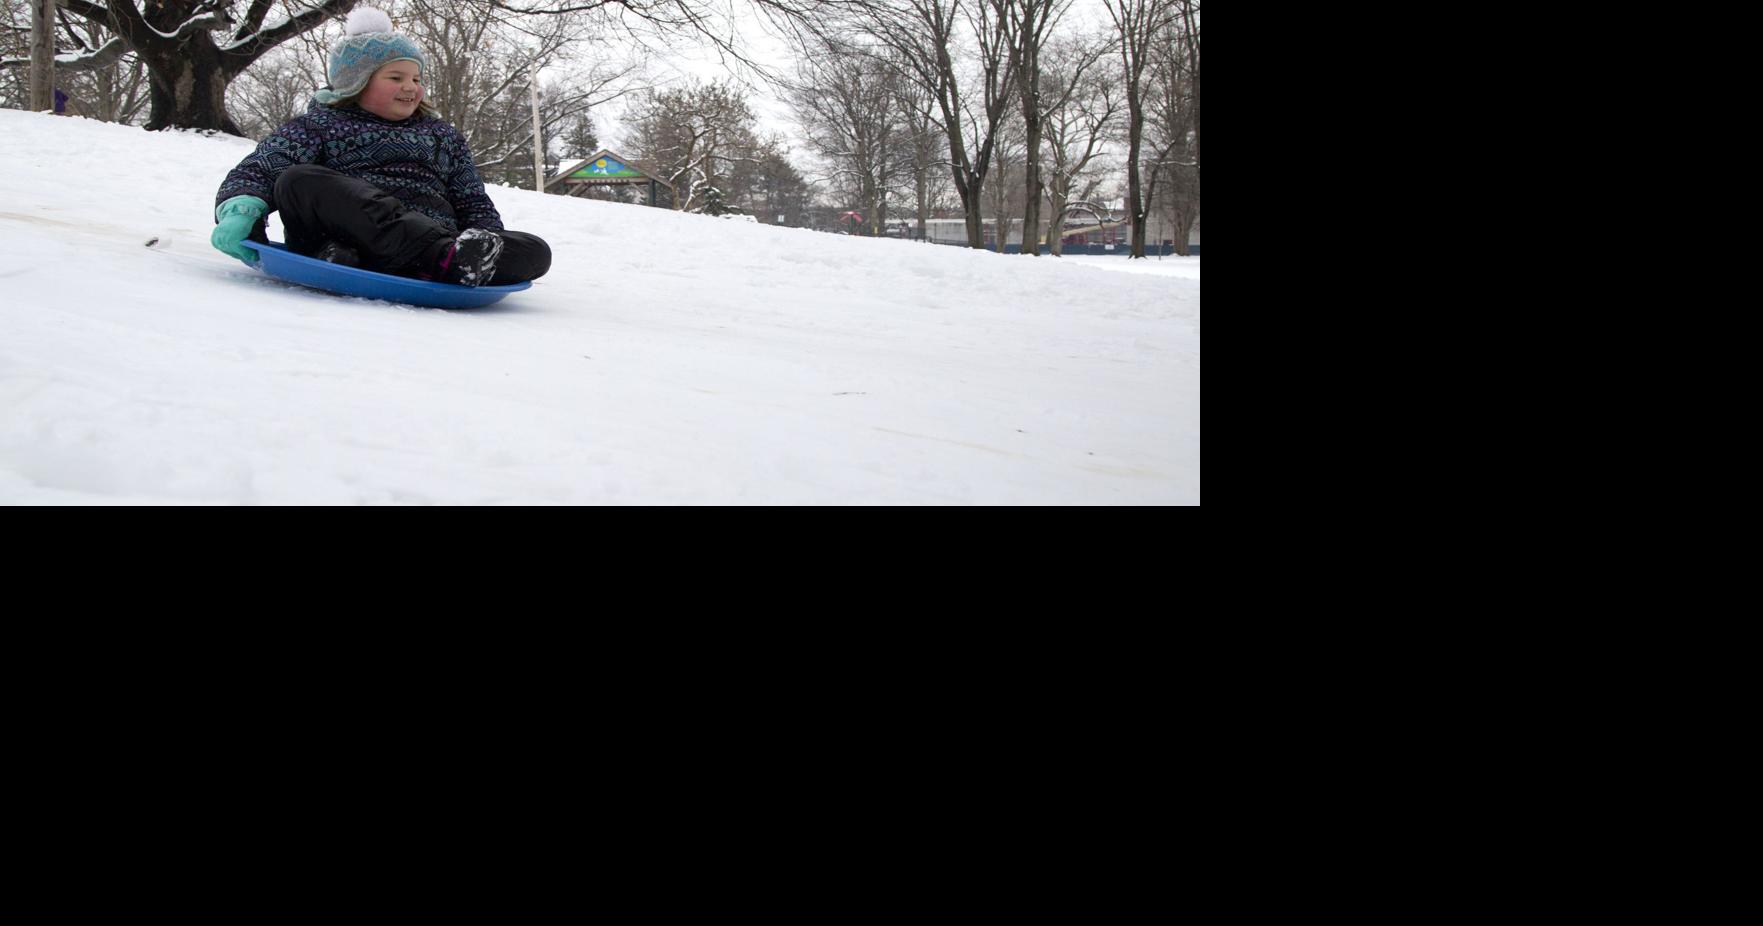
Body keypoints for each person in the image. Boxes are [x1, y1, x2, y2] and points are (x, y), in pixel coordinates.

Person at [211, 8, 550, 288]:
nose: (411, 87)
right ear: (356, 82)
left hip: (439, 240)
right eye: (396, 78)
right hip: (347, 233)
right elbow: (264, 167)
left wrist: (487, 242)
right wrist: (241, 210)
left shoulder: (442, 136)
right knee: (297, 180)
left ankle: (447, 259)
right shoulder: (319, 125)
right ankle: (432, 259)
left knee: (536, 250)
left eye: (417, 79)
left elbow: (471, 199)